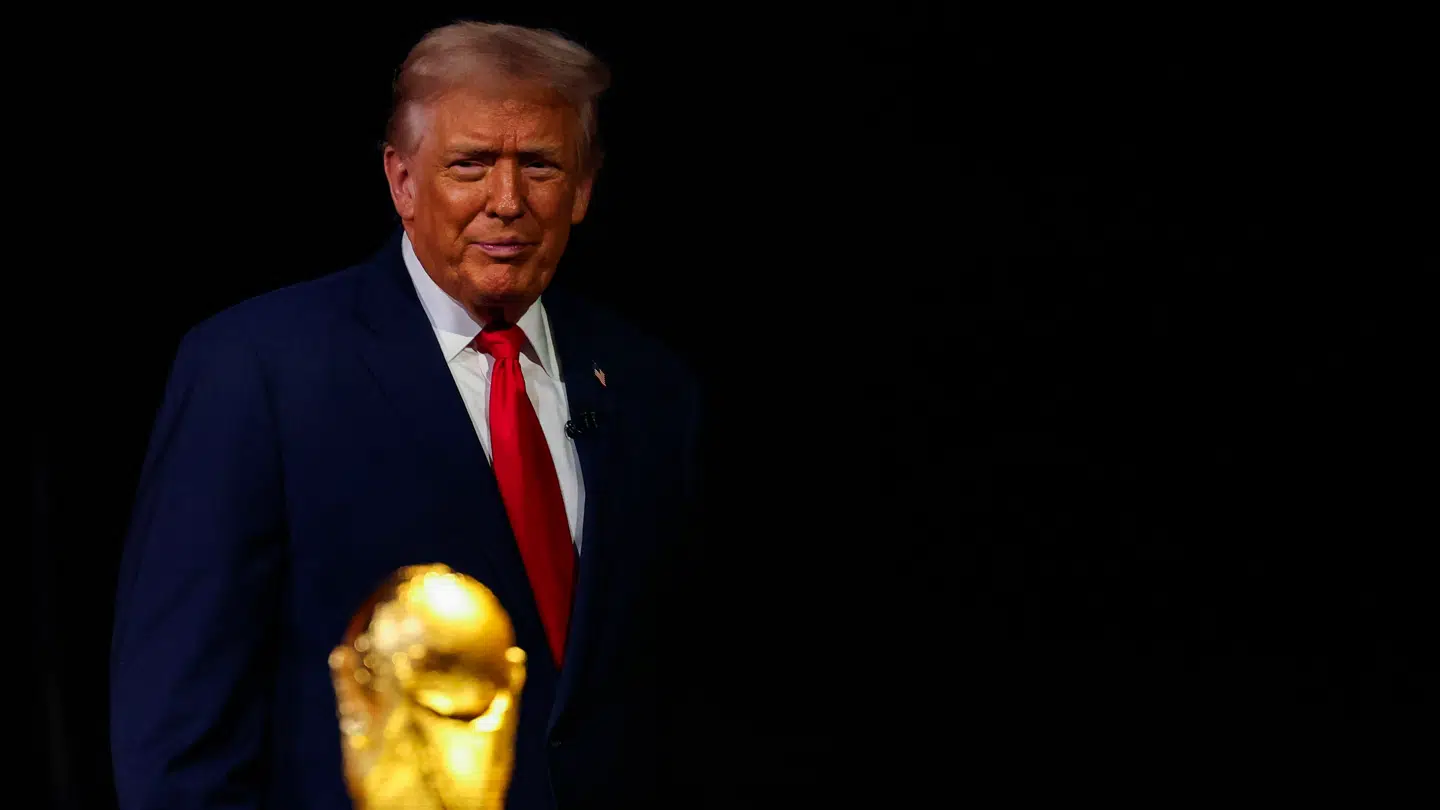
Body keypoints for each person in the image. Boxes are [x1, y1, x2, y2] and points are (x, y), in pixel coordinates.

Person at [110, 21, 705, 809]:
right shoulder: (257, 369)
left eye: (540, 165)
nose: (507, 201)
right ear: (402, 181)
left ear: (584, 188)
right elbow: (177, 725)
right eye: (470, 164)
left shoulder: (648, 385)